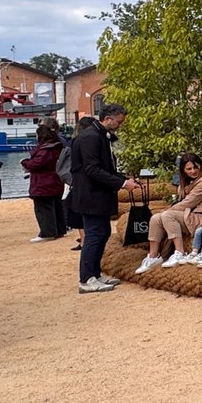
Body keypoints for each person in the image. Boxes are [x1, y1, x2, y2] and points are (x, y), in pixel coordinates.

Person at [69, 104, 139, 294]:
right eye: (119, 122)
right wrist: (122, 184)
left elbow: (105, 168)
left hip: (97, 196)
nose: (120, 125)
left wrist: (124, 179)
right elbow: (92, 169)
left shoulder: (98, 135)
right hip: (90, 196)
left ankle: (95, 273)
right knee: (93, 236)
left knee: (102, 233)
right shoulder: (91, 137)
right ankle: (86, 279)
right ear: (108, 118)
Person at [135, 152, 202, 273]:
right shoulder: (186, 183)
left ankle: (180, 252)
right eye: (189, 169)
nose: (193, 171)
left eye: (196, 167)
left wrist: (167, 211)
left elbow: (189, 202)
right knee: (155, 218)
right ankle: (153, 256)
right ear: (183, 170)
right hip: (190, 215)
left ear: (201, 165)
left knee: (167, 215)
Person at [21, 124, 66, 242]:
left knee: (43, 208)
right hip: (55, 180)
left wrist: (25, 162)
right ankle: (59, 230)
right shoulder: (57, 147)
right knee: (56, 206)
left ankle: (47, 233)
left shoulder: (46, 149)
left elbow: (36, 164)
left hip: (43, 183)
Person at [64, 117, 94, 251]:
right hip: (85, 182)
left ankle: (84, 239)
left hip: (76, 182)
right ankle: (85, 239)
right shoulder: (88, 143)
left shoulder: (73, 143)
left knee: (79, 212)